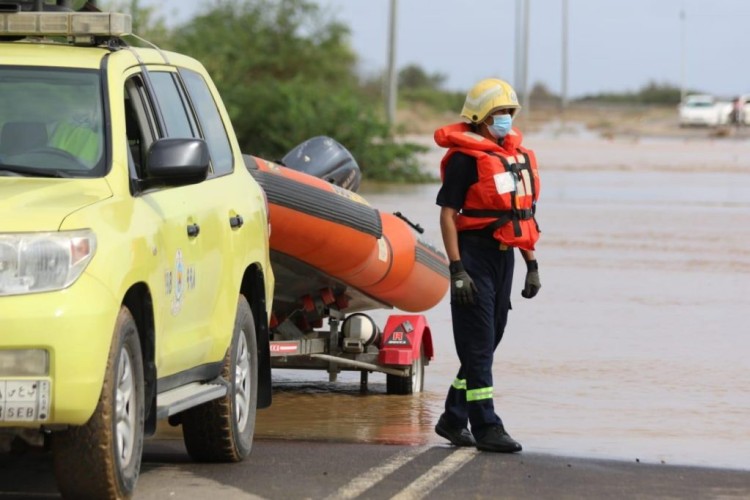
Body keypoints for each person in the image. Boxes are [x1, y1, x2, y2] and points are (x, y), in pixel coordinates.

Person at [433, 78, 541, 453]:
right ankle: (487, 426)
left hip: (503, 257)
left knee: (489, 340)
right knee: (478, 346)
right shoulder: (466, 160)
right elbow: (448, 216)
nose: (506, 119)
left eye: (510, 112)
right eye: (499, 113)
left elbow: (520, 216)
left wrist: (532, 264)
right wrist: (457, 269)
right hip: (473, 256)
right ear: (479, 117)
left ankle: (452, 418)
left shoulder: (511, 160)